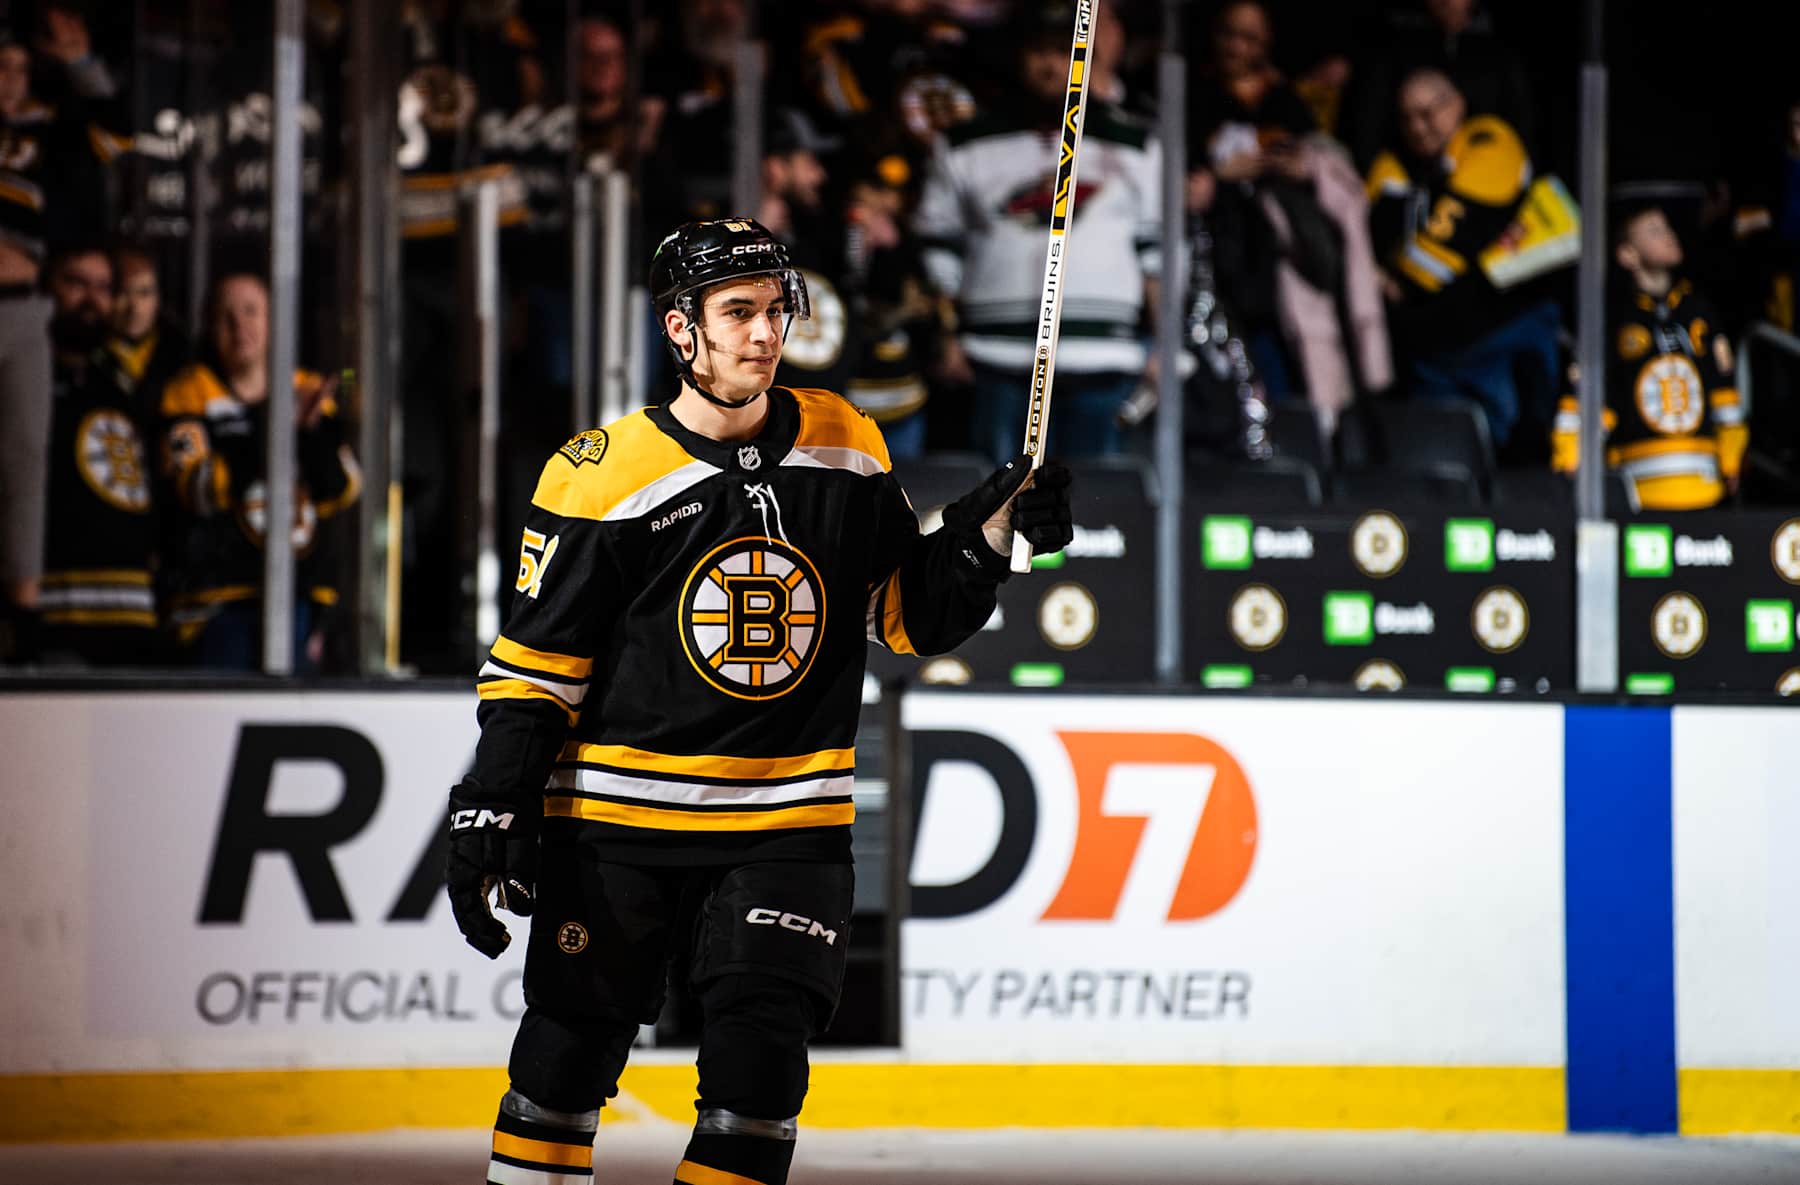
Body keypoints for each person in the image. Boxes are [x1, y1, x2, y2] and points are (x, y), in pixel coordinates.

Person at [445, 219, 1072, 1185]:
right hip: (617, 823)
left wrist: (985, 538)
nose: (764, 332)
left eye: (777, 310)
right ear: (681, 331)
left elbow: (906, 616)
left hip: (786, 825)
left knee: (760, 1076)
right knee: (563, 1066)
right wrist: (494, 801)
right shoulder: (600, 473)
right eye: (738, 312)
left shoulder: (847, 445)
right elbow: (535, 670)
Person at [913, 2, 1161, 461]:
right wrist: (946, 336)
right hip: (994, 355)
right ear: (1017, 56)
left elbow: (1159, 253)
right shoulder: (966, 142)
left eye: (1065, 51)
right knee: (991, 508)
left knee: (1099, 513)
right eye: (1038, 51)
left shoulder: (1136, 145)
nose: (1051, 64)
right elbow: (939, 245)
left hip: (1103, 356)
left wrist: (1165, 347)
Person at [157, 273, 361, 670]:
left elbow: (343, 489)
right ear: (208, 326)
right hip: (214, 605)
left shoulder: (306, 387)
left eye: (252, 312)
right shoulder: (188, 391)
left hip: (298, 600)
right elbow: (198, 489)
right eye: (225, 316)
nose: (240, 327)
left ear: (274, 320)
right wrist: (276, 427)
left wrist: (311, 430)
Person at [1367, 68, 1561, 454]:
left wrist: (1397, 277)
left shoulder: (1489, 139)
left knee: (1518, 459)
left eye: (1428, 113)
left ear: (1457, 104)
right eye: (1407, 117)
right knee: (1441, 468)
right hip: (1431, 355)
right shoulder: (1394, 165)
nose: (1418, 127)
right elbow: (1376, 230)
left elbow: (1442, 249)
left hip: (1503, 335)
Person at [1551, 204, 1746, 510]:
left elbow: (1724, 392)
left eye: (1668, 229)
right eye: (1654, 232)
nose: (1669, 237)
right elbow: (1589, 393)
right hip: (1636, 490)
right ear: (1627, 254)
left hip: (1705, 487)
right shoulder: (1612, 317)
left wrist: (1731, 458)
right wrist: (1570, 454)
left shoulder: (1698, 309)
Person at [35, 245, 160, 666]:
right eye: (76, 283)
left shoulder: (125, 383)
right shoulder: (24, 376)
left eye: (103, 287)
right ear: (48, 286)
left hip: (134, 615)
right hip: (55, 616)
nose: (91, 299)